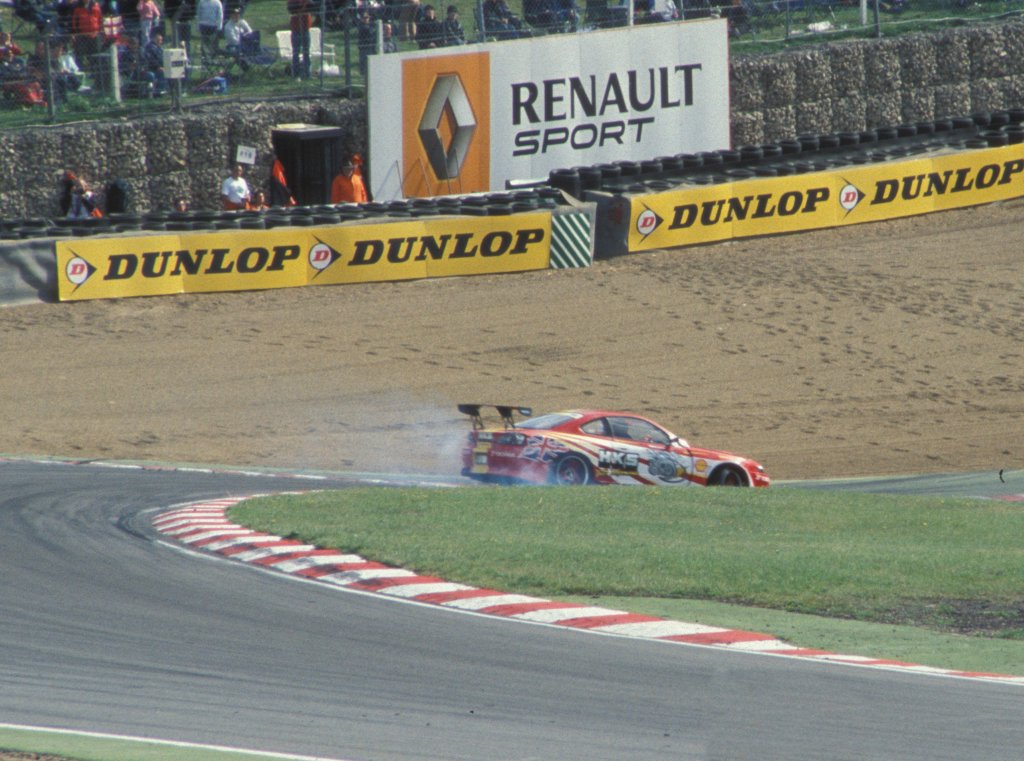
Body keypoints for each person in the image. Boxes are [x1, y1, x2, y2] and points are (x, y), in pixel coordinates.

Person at [286, 0, 312, 79]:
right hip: (296, 29)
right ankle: (296, 73)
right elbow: (291, 9)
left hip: (305, 28)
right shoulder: (292, 1)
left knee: (306, 52)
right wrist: (300, 7)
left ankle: (307, 73)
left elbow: (311, 6)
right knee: (296, 52)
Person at [142, 30, 168, 95]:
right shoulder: (149, 47)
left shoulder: (159, 48)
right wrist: (158, 67)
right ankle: (159, 91)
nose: (160, 42)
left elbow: (163, 58)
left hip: (160, 67)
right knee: (161, 72)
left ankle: (170, 90)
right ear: (154, 39)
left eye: (161, 40)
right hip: (151, 68)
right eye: (158, 40)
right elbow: (150, 60)